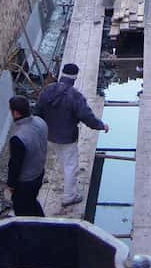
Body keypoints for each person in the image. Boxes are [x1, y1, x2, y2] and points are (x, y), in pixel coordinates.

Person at [35, 63, 109, 207]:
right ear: (75, 77)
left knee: (64, 161)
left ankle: (66, 186)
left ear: (62, 74)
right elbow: (86, 117)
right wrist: (101, 125)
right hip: (67, 138)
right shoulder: (75, 96)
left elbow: (37, 111)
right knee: (71, 166)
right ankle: (69, 196)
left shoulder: (47, 90)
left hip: (50, 135)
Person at [7, 95, 48, 217]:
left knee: (22, 211)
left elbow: (15, 164)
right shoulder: (41, 122)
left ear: (16, 113)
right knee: (31, 201)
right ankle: (44, 224)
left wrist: (11, 184)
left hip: (25, 183)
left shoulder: (18, 138)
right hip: (39, 174)